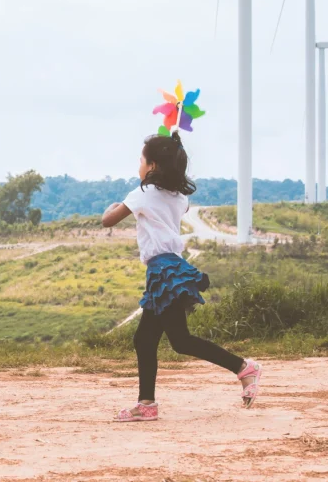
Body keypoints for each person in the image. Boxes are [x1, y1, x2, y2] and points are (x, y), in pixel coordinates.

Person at [102, 132, 262, 422]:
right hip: (169, 271)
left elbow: (107, 220)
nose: (138, 164)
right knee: (145, 339)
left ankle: (243, 367)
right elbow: (176, 205)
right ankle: (147, 404)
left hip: (164, 273)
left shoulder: (141, 194)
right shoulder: (179, 197)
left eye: (141, 159)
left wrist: (115, 204)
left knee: (180, 340)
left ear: (152, 166)